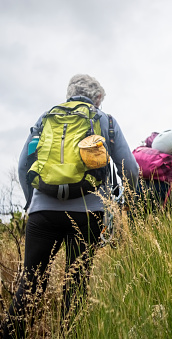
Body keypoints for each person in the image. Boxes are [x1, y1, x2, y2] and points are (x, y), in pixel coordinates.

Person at [2, 74, 139, 338]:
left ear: (69, 94)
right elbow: (130, 169)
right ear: (97, 98)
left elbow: (23, 166)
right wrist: (130, 201)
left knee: (30, 284)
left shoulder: (46, 118)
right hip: (88, 213)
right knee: (75, 284)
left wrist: (33, 202)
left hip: (42, 212)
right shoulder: (105, 120)